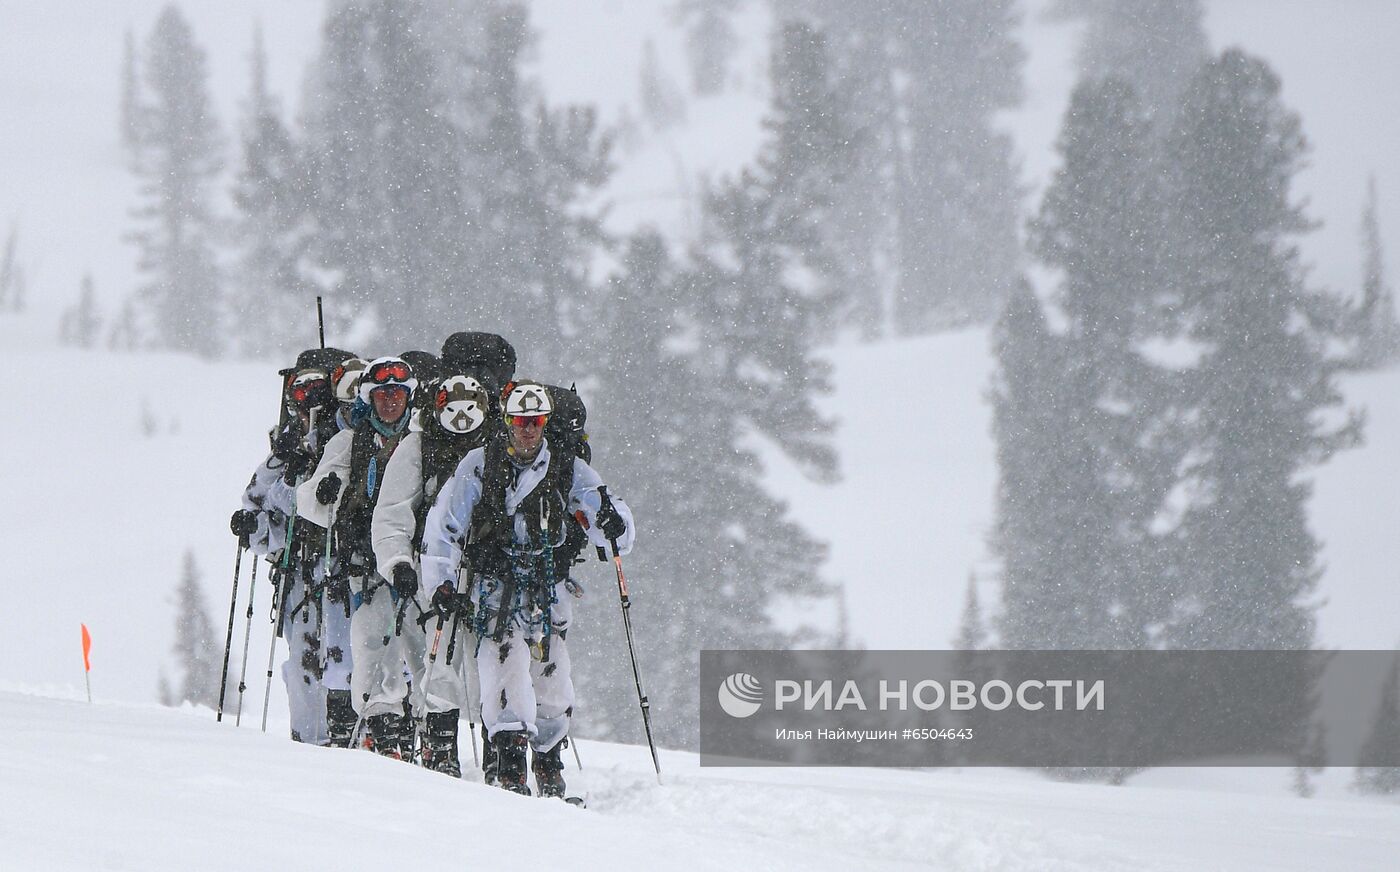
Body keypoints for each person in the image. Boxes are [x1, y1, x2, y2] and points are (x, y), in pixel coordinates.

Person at [421, 381, 635, 796]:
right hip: (493, 591)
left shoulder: (567, 467)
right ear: (507, 421)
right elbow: (444, 526)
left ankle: (550, 769)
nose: (528, 430)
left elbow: (607, 518)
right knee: (505, 670)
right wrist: (441, 584)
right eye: (520, 421)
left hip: (546, 592)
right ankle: (508, 768)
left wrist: (612, 521)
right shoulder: (480, 464)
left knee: (551, 678)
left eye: (535, 422)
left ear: (545, 423)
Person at [371, 371, 494, 776]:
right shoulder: (420, 447)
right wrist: (398, 563)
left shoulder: (495, 447)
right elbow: (392, 514)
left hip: (491, 572)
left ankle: (499, 753)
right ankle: (440, 754)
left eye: (469, 409)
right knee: (440, 660)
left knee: (494, 664)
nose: (461, 419)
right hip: (437, 569)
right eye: (452, 409)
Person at [297, 356, 419, 757]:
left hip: (415, 568)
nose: (390, 402)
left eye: (398, 393)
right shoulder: (350, 442)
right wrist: (325, 491)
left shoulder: (421, 441)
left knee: (418, 654)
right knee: (373, 652)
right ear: (370, 396)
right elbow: (310, 502)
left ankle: (420, 739)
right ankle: (389, 743)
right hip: (363, 567)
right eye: (383, 394)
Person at [230, 347, 351, 744]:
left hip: (341, 575)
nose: (305, 401)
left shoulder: (345, 444)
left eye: (314, 390)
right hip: (298, 572)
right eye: (298, 391)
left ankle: (354, 743)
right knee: (303, 661)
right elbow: (264, 510)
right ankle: (310, 742)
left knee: (344, 659)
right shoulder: (282, 453)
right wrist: (252, 526)